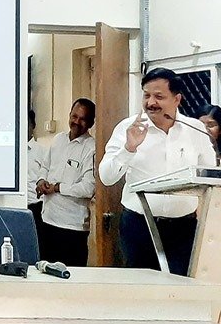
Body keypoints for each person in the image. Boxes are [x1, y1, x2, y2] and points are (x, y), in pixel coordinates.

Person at [99, 68, 217, 275]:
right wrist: (129, 148)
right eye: (146, 95)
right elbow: (106, 177)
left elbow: (210, 178)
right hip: (139, 225)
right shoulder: (128, 128)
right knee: (142, 286)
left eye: (159, 96)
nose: (151, 102)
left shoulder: (195, 130)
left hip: (183, 228)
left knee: (180, 285)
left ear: (177, 99)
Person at [35, 98, 96, 266]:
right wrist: (41, 180)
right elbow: (45, 166)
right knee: (45, 273)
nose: (77, 122)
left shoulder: (91, 148)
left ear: (91, 123)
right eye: (74, 116)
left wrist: (57, 188)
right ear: (69, 115)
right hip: (47, 220)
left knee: (71, 276)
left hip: (72, 228)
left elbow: (88, 188)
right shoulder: (58, 139)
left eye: (83, 119)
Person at [27, 108, 49, 227]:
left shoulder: (42, 151)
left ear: (33, 125)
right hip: (11, 204)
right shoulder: (8, 151)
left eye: (26, 123)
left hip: (35, 207)